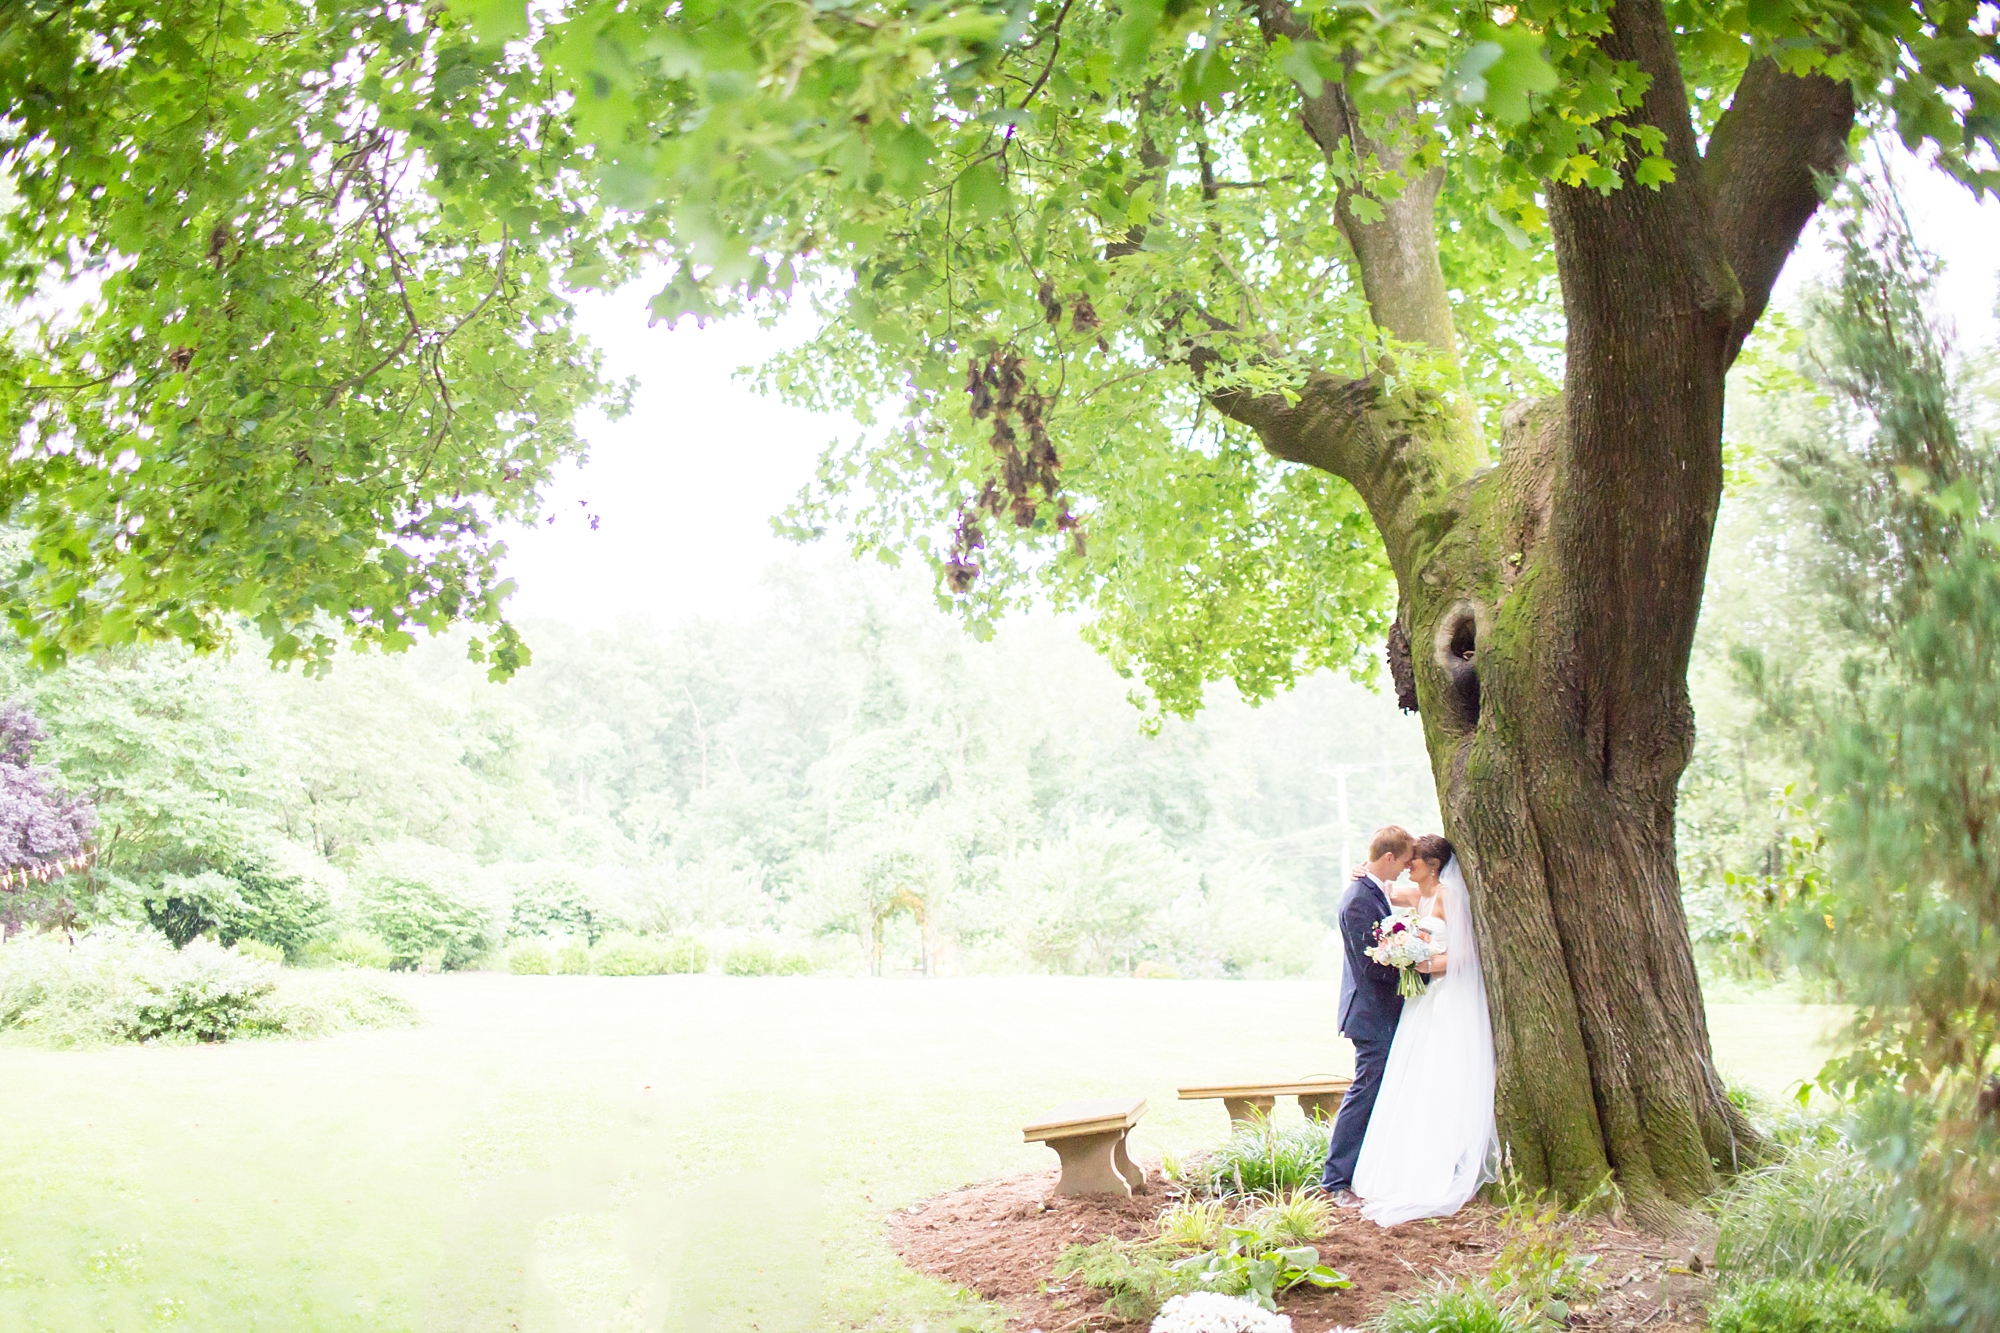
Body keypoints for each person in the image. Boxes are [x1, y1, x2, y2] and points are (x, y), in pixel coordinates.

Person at [1349, 833, 1501, 1225]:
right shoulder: (1418, 896)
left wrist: (1427, 963)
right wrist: (1361, 870)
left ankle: (1442, 1163)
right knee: (1413, 1074)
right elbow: (1381, 884)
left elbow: (1466, 952)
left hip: (1446, 994)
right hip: (1420, 1000)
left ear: (1432, 864)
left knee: (1439, 1071)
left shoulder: (1448, 896)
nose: (1407, 864)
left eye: (1413, 859)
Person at [1320, 825, 1416, 1207]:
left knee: (1379, 1090)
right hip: (1372, 1014)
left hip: (1383, 1011)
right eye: (1405, 861)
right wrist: (1416, 965)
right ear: (1389, 858)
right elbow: (1372, 965)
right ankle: (1336, 1180)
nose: (1408, 868)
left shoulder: (1375, 890)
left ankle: (1365, 1169)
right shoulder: (1360, 898)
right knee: (1364, 1092)